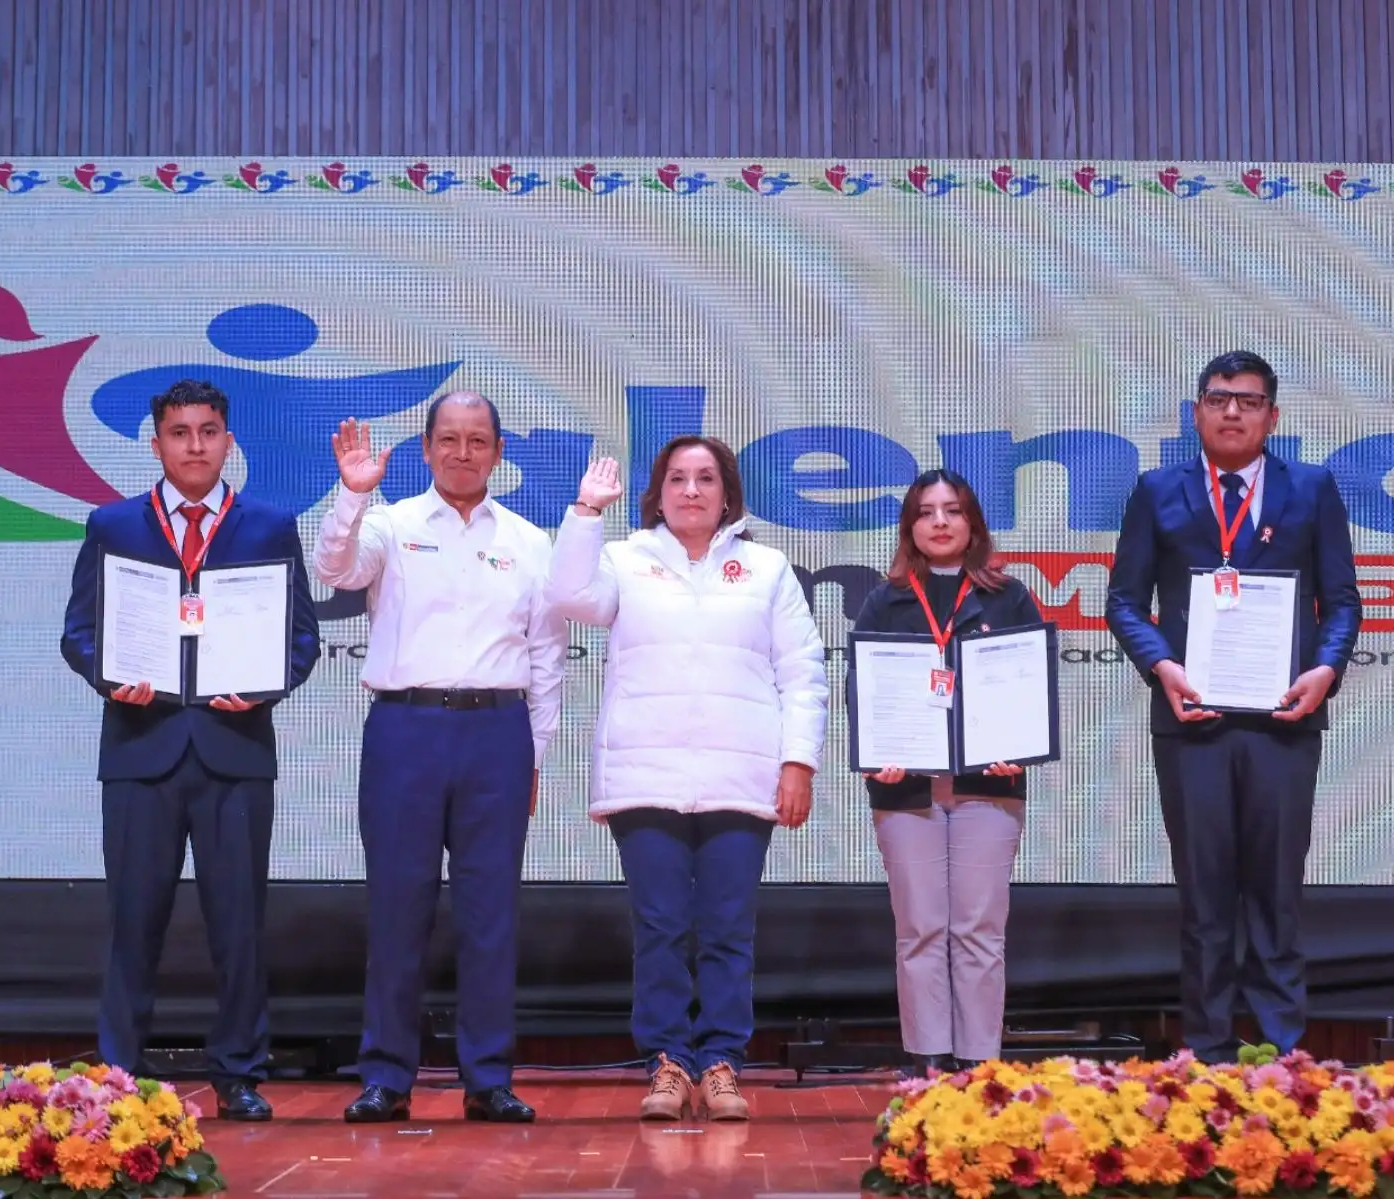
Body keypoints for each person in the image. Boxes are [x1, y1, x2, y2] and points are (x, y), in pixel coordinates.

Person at [61, 379, 323, 1121]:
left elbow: (300, 637)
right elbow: (78, 631)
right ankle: (119, 1068)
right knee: (132, 919)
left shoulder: (269, 525)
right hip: (141, 748)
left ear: (228, 442)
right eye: (180, 433)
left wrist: (266, 687)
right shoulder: (114, 524)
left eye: (209, 432)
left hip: (233, 749)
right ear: (157, 444)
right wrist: (111, 676)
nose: (195, 445)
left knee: (238, 922)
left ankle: (239, 1069)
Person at [544, 440, 828, 1121]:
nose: (691, 490)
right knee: (661, 926)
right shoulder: (623, 557)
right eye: (677, 478)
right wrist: (586, 512)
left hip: (741, 774)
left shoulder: (766, 568)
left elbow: (803, 671)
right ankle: (668, 1062)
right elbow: (566, 595)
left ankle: (723, 1060)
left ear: (727, 492)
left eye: (705, 479)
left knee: (729, 928)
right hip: (647, 775)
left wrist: (798, 762)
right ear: (658, 491)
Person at [314, 392, 567, 1124]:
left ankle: (488, 1076)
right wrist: (352, 493)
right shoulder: (389, 525)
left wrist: (535, 755)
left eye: (478, 440)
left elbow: (548, 658)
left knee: (491, 914)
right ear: (425, 449)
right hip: (405, 730)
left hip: (498, 735)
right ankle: (387, 1075)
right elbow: (336, 568)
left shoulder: (530, 539)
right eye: (449, 439)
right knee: (398, 908)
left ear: (497, 452)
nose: (462, 452)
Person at [1106, 350, 1361, 1062]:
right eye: (1219, 398)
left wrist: (1325, 670)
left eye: (1248, 401)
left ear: (1272, 417)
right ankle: (1210, 1046)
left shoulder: (1310, 489)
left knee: (1277, 892)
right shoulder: (1159, 490)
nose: (1232, 412)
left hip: (1285, 719)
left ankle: (1283, 1048)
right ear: (1196, 412)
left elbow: (1342, 602)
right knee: (1206, 896)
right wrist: (1162, 665)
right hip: (1193, 722)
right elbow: (1124, 601)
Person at [847, 469, 1043, 1075]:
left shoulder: (1008, 597)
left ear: (972, 524)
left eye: (952, 511)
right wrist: (876, 755)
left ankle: (979, 1062)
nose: (939, 522)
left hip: (990, 787)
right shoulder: (885, 600)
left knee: (980, 929)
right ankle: (928, 1057)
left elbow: (1029, 688)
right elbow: (864, 692)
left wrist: (1021, 746)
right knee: (922, 929)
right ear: (910, 527)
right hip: (906, 793)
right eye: (926, 512)